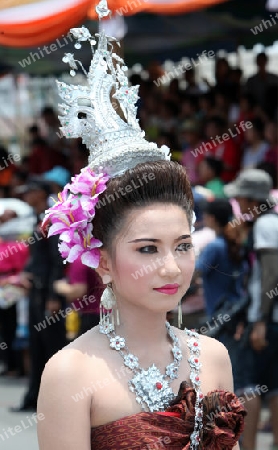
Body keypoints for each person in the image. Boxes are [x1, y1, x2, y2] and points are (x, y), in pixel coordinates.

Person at [37, 4, 245, 449]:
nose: (172, 268)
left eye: (183, 245)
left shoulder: (214, 356)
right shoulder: (71, 371)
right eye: (148, 249)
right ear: (104, 259)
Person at [224, 169, 278, 450]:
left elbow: (270, 273)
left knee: (249, 384)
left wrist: (260, 320)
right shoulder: (272, 222)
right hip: (271, 319)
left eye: (242, 199)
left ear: (250, 200)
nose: (240, 206)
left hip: (267, 319)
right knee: (273, 386)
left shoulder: (266, 225)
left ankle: (250, 446)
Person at [11, 178, 67, 412]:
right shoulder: (37, 220)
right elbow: (37, 258)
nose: (27, 195)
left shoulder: (52, 219)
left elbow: (57, 260)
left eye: (31, 191)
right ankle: (34, 397)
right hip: (35, 290)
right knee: (36, 345)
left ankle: (55, 401)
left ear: (42, 193)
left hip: (48, 294)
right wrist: (26, 274)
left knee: (51, 345)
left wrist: (54, 295)